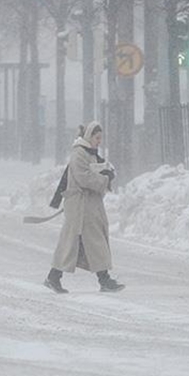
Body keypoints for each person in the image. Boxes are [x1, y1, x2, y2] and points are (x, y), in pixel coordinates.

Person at [44, 121, 124, 294]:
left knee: (81, 242)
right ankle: (103, 279)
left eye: (101, 138)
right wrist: (104, 179)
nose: (99, 141)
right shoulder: (79, 153)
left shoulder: (91, 153)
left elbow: (92, 173)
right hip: (80, 205)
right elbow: (83, 177)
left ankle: (55, 276)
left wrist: (106, 174)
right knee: (86, 241)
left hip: (89, 205)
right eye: (97, 137)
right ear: (89, 136)